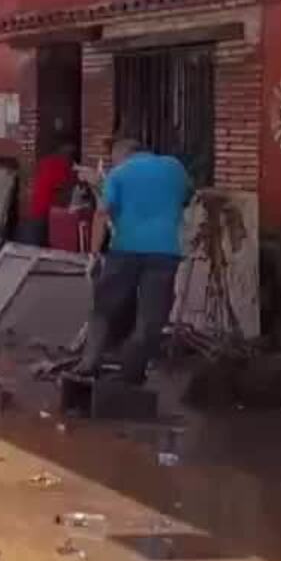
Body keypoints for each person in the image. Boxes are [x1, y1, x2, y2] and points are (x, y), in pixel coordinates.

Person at [79, 137, 194, 387]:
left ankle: (88, 364)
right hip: (165, 252)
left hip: (125, 250)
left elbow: (102, 213)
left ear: (122, 155)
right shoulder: (174, 167)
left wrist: (94, 254)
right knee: (151, 317)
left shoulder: (119, 173)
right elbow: (186, 197)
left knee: (104, 307)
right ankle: (131, 373)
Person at [21, 138, 77, 246]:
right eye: (70, 152)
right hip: (47, 213)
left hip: (35, 210)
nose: (70, 156)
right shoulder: (61, 164)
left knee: (36, 246)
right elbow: (63, 187)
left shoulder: (44, 161)